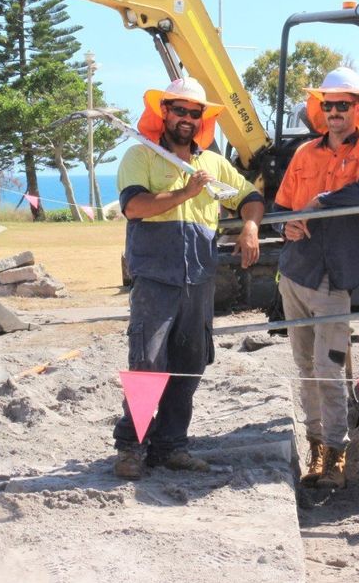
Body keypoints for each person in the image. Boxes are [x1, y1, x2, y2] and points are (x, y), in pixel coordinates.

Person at [113, 77, 264, 480]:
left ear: (202, 119)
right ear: (164, 112)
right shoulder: (140, 156)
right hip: (155, 277)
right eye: (178, 110)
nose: (186, 118)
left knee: (190, 362)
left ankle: (170, 446)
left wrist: (250, 227)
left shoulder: (213, 164)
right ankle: (131, 447)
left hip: (198, 278)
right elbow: (134, 207)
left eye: (194, 112)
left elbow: (249, 197)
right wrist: (185, 192)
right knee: (147, 361)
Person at [273, 67, 359, 490]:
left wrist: (322, 202)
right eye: (329, 104)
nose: (336, 111)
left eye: (344, 104)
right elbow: (281, 206)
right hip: (296, 273)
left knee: (329, 368)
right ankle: (316, 450)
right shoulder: (304, 153)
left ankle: (337, 457)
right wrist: (284, 226)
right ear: (321, 108)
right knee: (306, 368)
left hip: (335, 277)